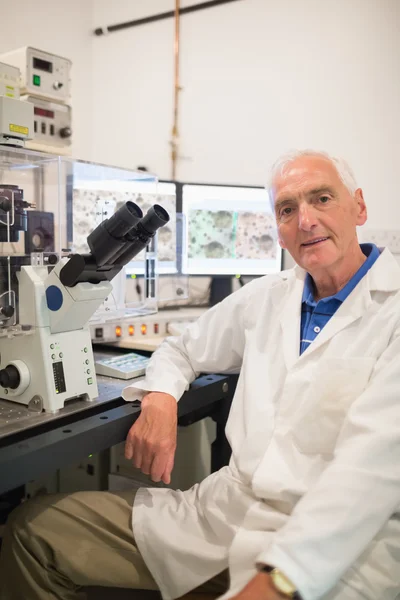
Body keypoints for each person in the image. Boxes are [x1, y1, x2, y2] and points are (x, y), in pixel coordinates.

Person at [1, 150, 399, 600]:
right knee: (35, 533)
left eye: (322, 199)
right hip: (223, 520)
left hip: (341, 550)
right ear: (279, 229)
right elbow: (180, 347)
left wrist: (284, 577)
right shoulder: (269, 296)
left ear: (358, 207)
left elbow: (371, 472)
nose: (305, 220)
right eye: (287, 209)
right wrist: (161, 398)